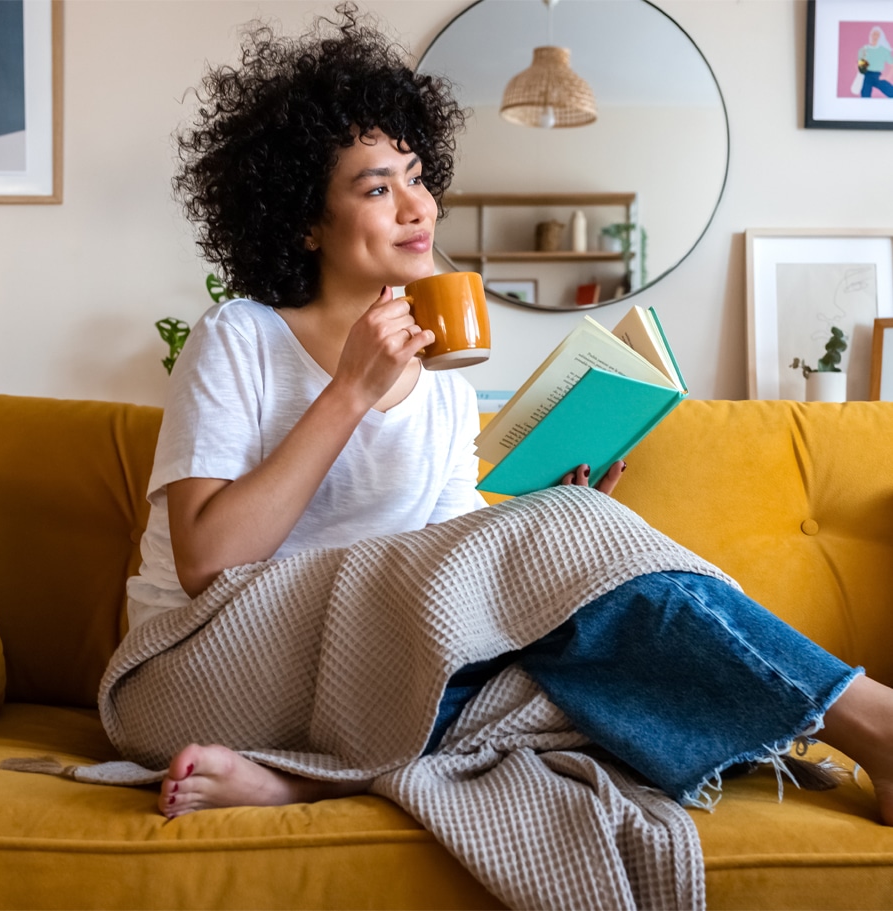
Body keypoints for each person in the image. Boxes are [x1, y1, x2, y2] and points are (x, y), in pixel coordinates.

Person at [123, 4, 893, 826]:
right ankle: (874, 722)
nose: (417, 207)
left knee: (586, 658)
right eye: (377, 188)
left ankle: (306, 777)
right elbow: (209, 561)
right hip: (201, 668)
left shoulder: (443, 381)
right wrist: (348, 390)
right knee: (580, 646)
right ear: (306, 221)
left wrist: (563, 518)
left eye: (417, 177)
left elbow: (452, 584)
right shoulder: (238, 337)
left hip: (361, 677)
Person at [858, 26, 893, 98]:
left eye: (877, 34)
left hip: (878, 76)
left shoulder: (884, 50)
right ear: (870, 35)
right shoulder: (864, 49)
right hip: (867, 75)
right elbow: (861, 69)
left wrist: (887, 77)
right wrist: (863, 58)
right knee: (865, 97)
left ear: (881, 37)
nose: (875, 36)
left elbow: (892, 65)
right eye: (873, 34)